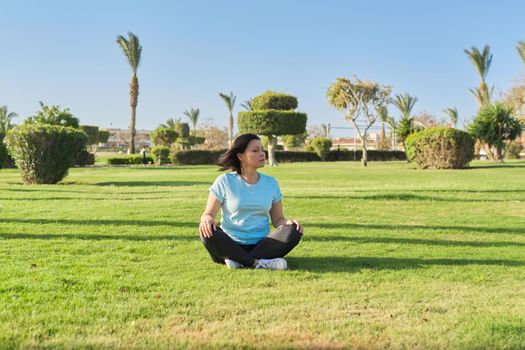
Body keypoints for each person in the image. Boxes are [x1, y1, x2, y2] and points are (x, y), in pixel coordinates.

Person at [199, 133, 304, 270]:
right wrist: (206, 219)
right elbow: (208, 214)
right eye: (255, 150)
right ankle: (257, 263)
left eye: (262, 149)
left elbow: (278, 219)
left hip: (262, 245)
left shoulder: (271, 183)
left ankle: (239, 261)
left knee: (294, 230)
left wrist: (287, 223)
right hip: (230, 244)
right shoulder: (224, 181)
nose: (262, 154)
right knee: (207, 232)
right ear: (240, 156)